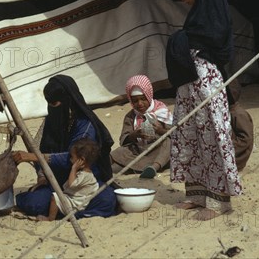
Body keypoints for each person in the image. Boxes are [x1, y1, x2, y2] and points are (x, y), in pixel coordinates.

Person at [166, 0, 242, 221]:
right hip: (189, 85)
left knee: (212, 141)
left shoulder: (215, 17)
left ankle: (219, 201)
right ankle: (196, 195)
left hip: (207, 85)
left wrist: (182, 40)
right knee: (190, 137)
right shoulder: (196, 17)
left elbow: (218, 49)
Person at [12, 74, 117, 218]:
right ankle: (66, 210)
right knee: (33, 203)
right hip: (57, 184)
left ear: (67, 100)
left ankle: (64, 212)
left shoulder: (85, 124)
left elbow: (74, 157)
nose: (51, 108)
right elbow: (40, 149)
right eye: (49, 104)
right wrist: (42, 176)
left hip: (83, 184)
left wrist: (35, 157)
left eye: (55, 104)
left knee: (107, 199)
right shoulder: (51, 121)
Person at [110, 75, 173, 178]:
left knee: (168, 143)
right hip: (137, 152)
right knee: (118, 153)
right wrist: (134, 135)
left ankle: (154, 168)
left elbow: (176, 135)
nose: (140, 103)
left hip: (157, 151)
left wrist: (160, 130)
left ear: (149, 95)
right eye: (135, 101)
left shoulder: (161, 111)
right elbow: (123, 140)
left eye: (143, 99)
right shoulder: (131, 116)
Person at [37, 138, 100, 221]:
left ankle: (50, 218)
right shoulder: (86, 174)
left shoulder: (85, 175)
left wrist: (73, 168)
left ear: (81, 160)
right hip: (75, 199)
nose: (70, 159)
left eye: (72, 157)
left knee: (54, 197)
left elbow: (71, 184)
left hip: (75, 204)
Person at [227, 79, 254, 172]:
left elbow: (245, 139)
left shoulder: (239, 114)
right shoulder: (228, 112)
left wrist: (226, 148)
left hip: (237, 159)